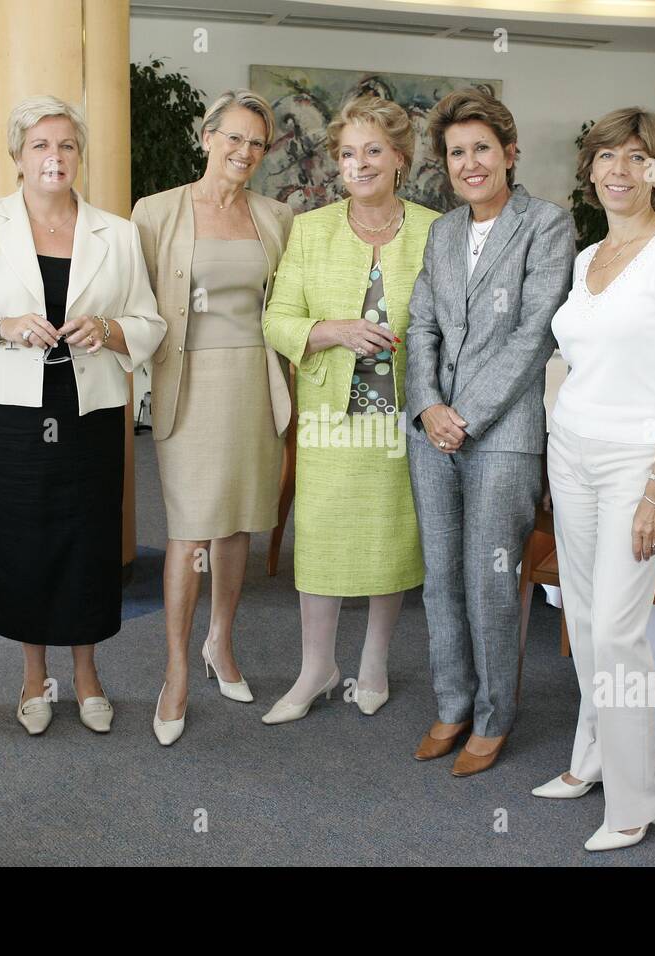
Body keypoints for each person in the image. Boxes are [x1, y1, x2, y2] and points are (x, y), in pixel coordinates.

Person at [0, 95, 166, 736]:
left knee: (88, 542)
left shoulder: (115, 233)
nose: (54, 157)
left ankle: (88, 676)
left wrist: (112, 328)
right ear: (17, 156)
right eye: (40, 145)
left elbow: (149, 321)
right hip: (8, 413)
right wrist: (0, 326)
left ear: (79, 155)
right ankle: (35, 677)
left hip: (88, 410)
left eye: (65, 145)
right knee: (21, 541)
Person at [534, 107, 655, 851]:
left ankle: (640, 797)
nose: (616, 170)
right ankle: (591, 757)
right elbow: (578, 363)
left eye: (633, 158)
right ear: (592, 171)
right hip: (569, 447)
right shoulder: (587, 259)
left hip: (636, 460)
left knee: (617, 629)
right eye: (605, 157)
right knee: (581, 618)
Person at [405, 88, 573, 776]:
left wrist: (462, 414)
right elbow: (421, 326)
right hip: (431, 430)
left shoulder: (547, 224)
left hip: (502, 433)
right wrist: (426, 406)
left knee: (491, 578)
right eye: (456, 153)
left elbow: (534, 335)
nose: (469, 164)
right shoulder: (443, 232)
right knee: (440, 576)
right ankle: (453, 702)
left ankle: (497, 714)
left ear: (509, 154)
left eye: (481, 149)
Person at [261, 93, 440, 725]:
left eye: (372, 151)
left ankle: (373, 662)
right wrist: (333, 330)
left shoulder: (432, 231)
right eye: (346, 153)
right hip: (330, 417)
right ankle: (316, 667)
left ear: (398, 158)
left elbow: (450, 326)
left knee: (389, 538)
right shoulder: (309, 230)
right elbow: (277, 319)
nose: (357, 164)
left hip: (402, 418)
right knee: (320, 539)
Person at [132, 90, 294, 746]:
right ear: (207, 137)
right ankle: (175, 669)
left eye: (256, 143)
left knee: (238, 527)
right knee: (192, 530)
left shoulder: (278, 216)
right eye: (233, 138)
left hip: (254, 380)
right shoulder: (157, 212)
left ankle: (220, 645)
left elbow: (286, 303)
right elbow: (133, 299)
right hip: (189, 380)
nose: (244, 153)